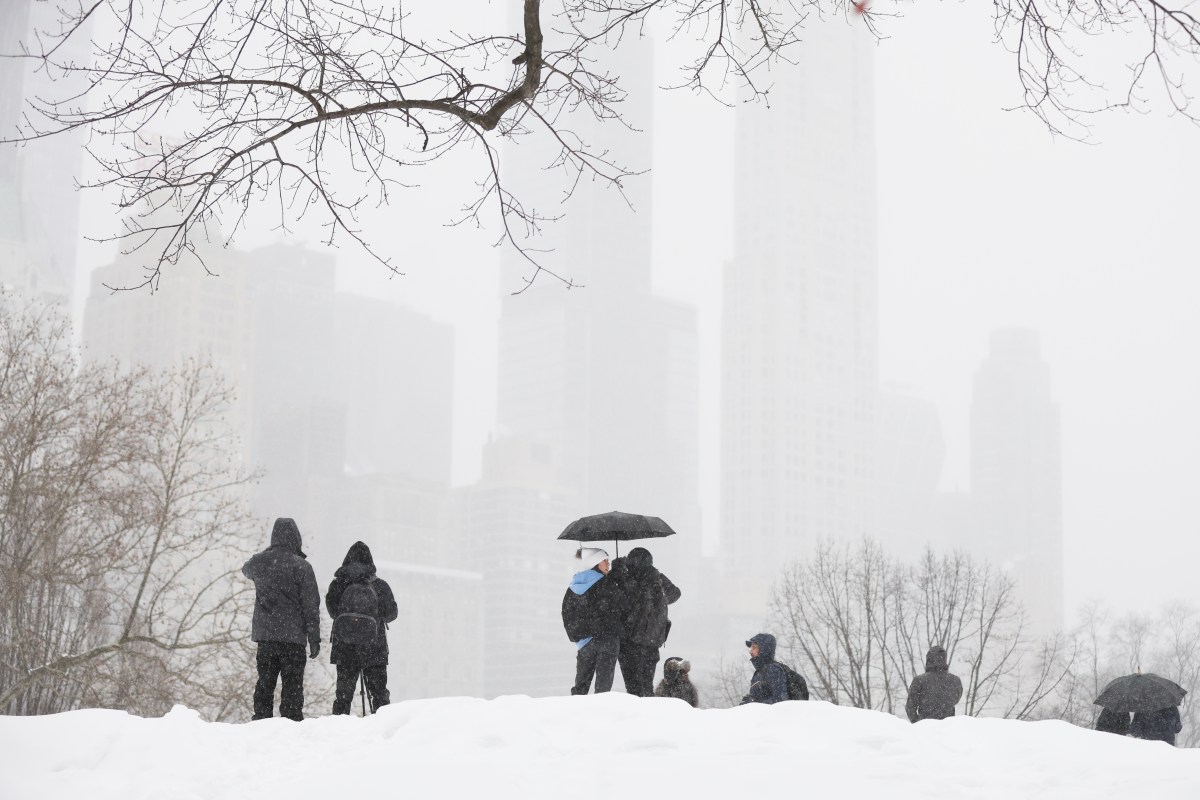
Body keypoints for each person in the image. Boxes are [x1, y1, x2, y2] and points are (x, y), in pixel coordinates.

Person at [241, 517, 321, 721]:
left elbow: (246, 568)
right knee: (293, 686)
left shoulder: (260, 563)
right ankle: (291, 723)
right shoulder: (302, 566)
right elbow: (311, 606)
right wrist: (314, 638)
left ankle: (262, 720)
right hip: (293, 639)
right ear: (296, 538)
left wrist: (269, 553)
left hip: (267, 638)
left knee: (265, 683)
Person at [325, 541, 399, 715]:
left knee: (343, 697)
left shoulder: (338, 584)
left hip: (344, 648)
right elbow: (392, 613)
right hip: (374, 648)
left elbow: (332, 610)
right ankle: (382, 727)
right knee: (379, 696)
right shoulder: (380, 585)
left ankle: (338, 727)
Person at [613, 547, 681, 697]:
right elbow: (676, 593)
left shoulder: (630, 580)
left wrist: (617, 571)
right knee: (647, 688)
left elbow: (619, 600)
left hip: (630, 644)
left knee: (633, 690)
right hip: (652, 644)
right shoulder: (657, 579)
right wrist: (660, 599)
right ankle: (648, 710)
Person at [562, 547, 624, 695]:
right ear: (596, 563)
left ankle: (575, 709)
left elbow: (567, 613)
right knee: (603, 689)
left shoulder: (574, 586)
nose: (608, 564)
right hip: (607, 639)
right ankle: (600, 710)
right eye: (605, 561)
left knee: (580, 687)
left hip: (585, 642)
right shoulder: (608, 584)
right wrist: (619, 578)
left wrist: (577, 634)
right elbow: (621, 607)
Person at [905, 645, 963, 722]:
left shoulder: (919, 680)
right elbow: (955, 700)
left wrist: (917, 723)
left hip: (926, 726)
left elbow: (910, 707)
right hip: (947, 726)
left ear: (928, 660)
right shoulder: (955, 681)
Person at [741, 633, 789, 705]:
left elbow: (780, 701)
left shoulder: (773, 670)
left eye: (754, 648)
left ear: (763, 650)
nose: (750, 652)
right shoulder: (758, 673)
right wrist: (748, 702)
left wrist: (753, 705)